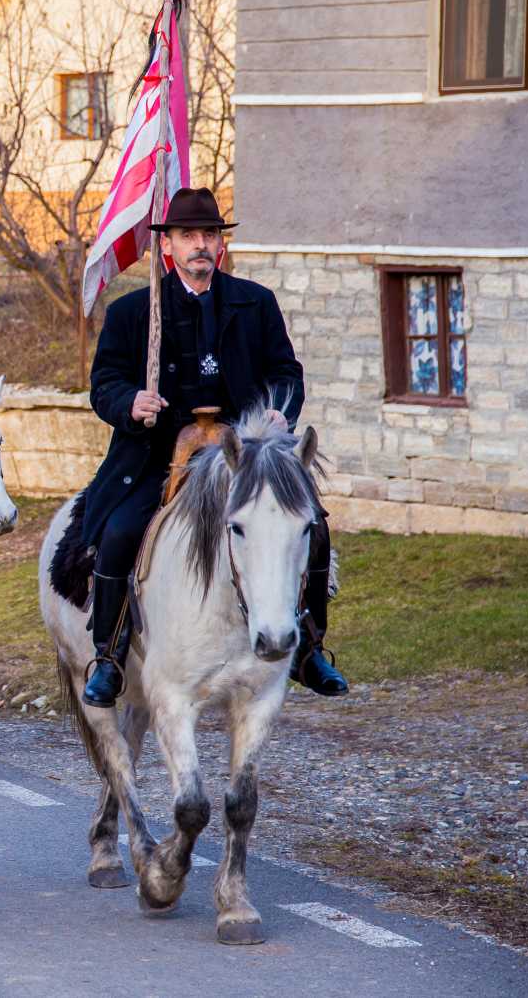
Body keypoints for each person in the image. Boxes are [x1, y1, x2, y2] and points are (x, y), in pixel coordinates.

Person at [81, 187, 347, 707]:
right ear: (168, 248)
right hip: (160, 456)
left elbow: (285, 373)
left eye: (209, 235)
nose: (200, 245)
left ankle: (311, 647)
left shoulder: (255, 302)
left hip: (244, 459)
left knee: (312, 527)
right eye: (188, 236)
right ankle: (109, 655)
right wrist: (132, 403)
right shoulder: (134, 312)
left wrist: (280, 410)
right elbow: (104, 383)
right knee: (119, 533)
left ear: (219, 245)